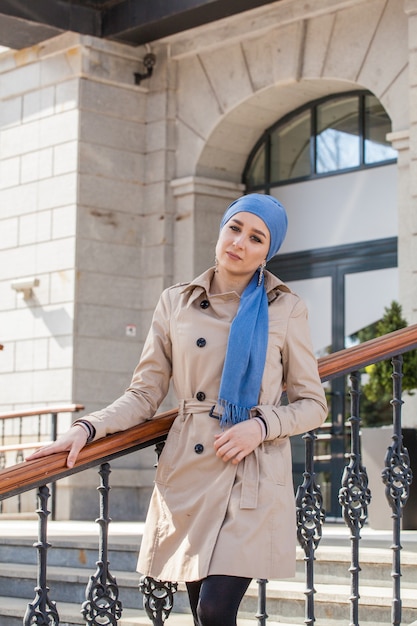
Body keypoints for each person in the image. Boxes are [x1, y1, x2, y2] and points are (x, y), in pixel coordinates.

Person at [27, 193, 328, 626]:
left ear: (268, 251)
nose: (239, 242)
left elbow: (312, 404)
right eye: (234, 228)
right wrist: (88, 428)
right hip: (190, 471)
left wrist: (262, 426)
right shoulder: (175, 302)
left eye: (256, 237)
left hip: (252, 474)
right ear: (221, 230)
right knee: (201, 612)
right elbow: (144, 393)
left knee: (214, 608)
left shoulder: (286, 308)